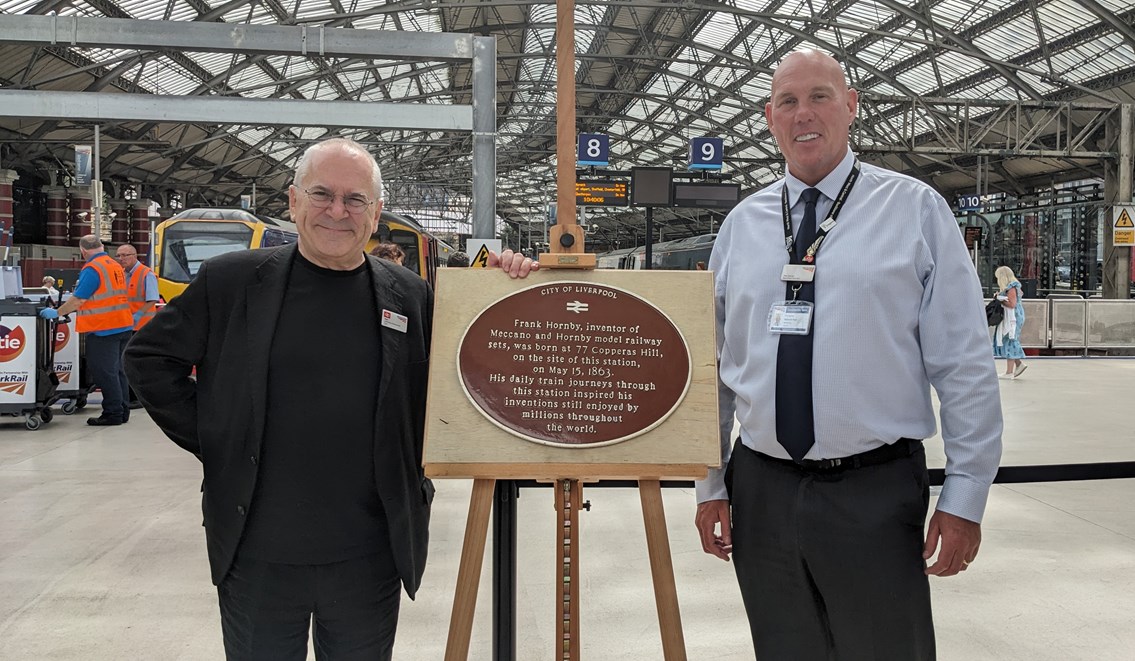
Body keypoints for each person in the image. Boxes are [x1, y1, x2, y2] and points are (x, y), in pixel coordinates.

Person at [123, 137, 537, 661]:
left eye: (355, 199)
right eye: (322, 194)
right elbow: (148, 359)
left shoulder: (410, 294)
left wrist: (505, 290)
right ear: (294, 201)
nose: (337, 211)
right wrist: (217, 436)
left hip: (371, 554)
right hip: (257, 551)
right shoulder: (232, 282)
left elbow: (471, 376)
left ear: (376, 212)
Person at [694, 50, 1003, 660]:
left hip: (874, 489)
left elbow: (963, 363)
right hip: (761, 488)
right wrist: (710, 485)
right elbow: (712, 371)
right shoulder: (741, 226)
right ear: (768, 118)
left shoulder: (914, 211)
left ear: (852, 106)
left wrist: (965, 496)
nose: (803, 114)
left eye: (820, 96)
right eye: (787, 101)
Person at [38, 235, 134, 426]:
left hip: (103, 328)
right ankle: (122, 411)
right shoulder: (114, 265)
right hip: (123, 324)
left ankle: (113, 413)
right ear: (101, 246)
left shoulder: (92, 269)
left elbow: (78, 299)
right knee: (117, 371)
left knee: (105, 373)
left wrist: (56, 312)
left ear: (83, 251)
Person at [115, 243, 160, 408]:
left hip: (142, 327)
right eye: (119, 256)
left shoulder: (146, 274)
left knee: (136, 363)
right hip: (126, 326)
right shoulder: (121, 274)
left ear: (134, 256)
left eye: (125, 255)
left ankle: (138, 398)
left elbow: (152, 299)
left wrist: (138, 315)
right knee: (125, 362)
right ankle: (131, 396)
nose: (121, 259)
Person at [993, 265, 1027, 379]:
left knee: (1011, 339)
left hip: (1013, 318)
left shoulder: (1011, 288)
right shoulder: (1012, 287)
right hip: (1013, 317)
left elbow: (1012, 304)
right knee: (1009, 339)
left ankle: (1009, 372)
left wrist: (1000, 300)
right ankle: (1018, 364)